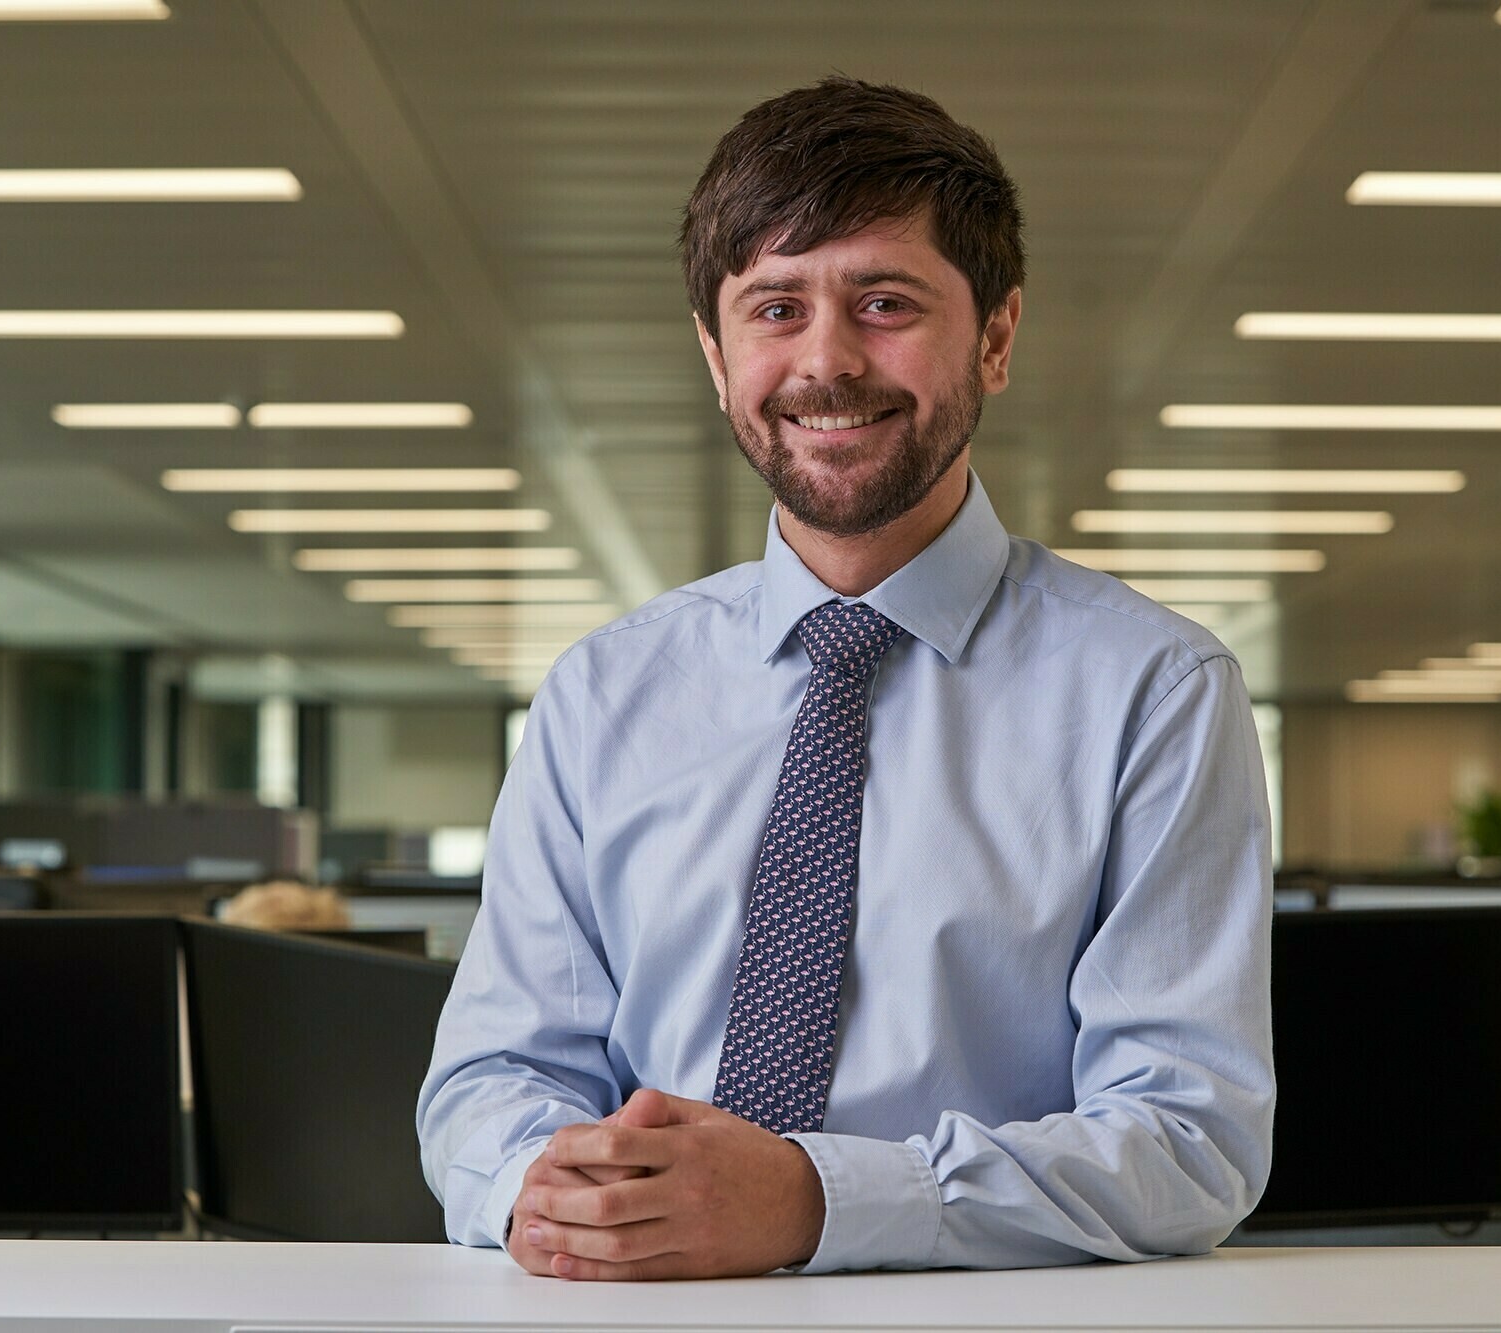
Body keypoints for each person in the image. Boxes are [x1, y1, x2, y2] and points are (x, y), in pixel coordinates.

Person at [417, 76, 1275, 1281]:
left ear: (995, 334)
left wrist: (817, 1201)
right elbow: (492, 1078)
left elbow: (1186, 1140)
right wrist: (539, 1187)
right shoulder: (602, 694)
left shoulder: (1154, 690)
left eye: (883, 302)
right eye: (774, 308)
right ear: (717, 358)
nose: (825, 361)